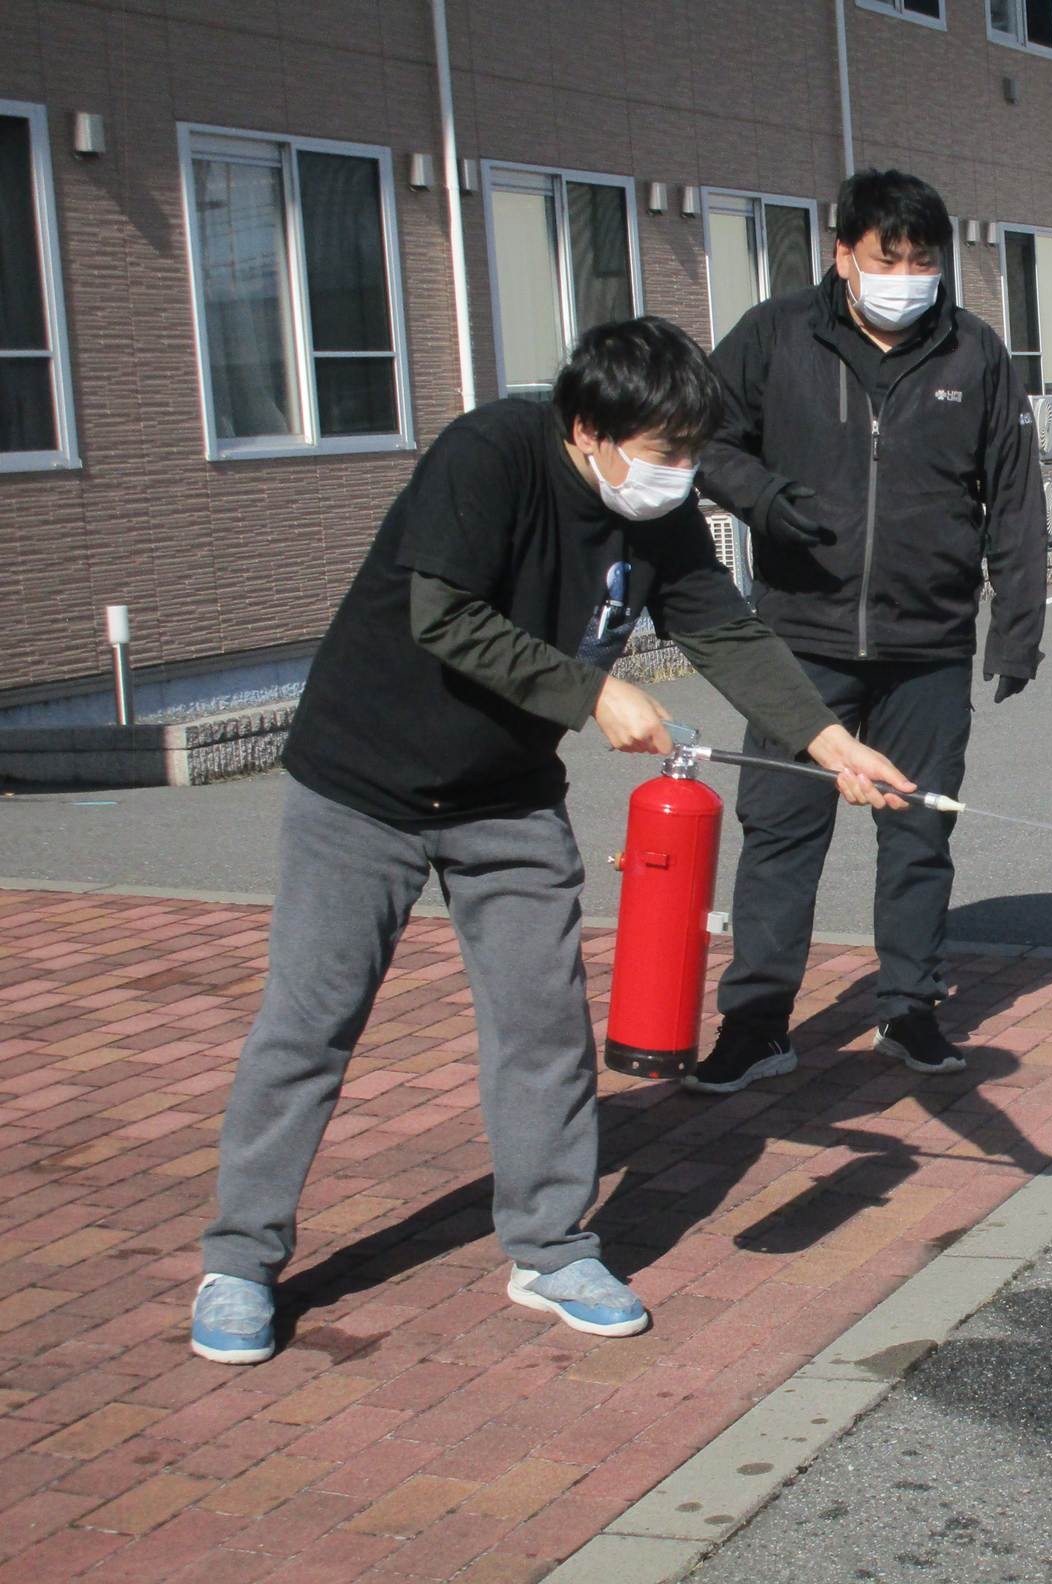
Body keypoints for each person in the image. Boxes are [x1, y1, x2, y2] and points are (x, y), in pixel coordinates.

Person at [192, 317, 913, 1365]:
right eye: (664, 452)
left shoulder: (658, 509)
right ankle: (240, 1261)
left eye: (692, 453)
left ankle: (552, 1248)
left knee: (543, 1026)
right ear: (587, 429)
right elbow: (445, 615)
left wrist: (830, 741)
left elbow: (721, 629)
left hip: (506, 797)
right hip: (362, 785)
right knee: (310, 1027)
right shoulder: (488, 455)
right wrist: (594, 693)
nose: (681, 476)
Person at [687, 168, 1047, 1094]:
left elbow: (1014, 496)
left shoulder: (973, 352)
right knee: (780, 834)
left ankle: (909, 1008)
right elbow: (701, 437)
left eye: (924, 261)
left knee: (919, 834)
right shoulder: (777, 335)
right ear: (843, 254)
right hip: (800, 639)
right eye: (889, 259)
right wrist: (764, 498)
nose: (908, 277)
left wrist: (1017, 628)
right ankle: (756, 1023)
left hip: (928, 644)